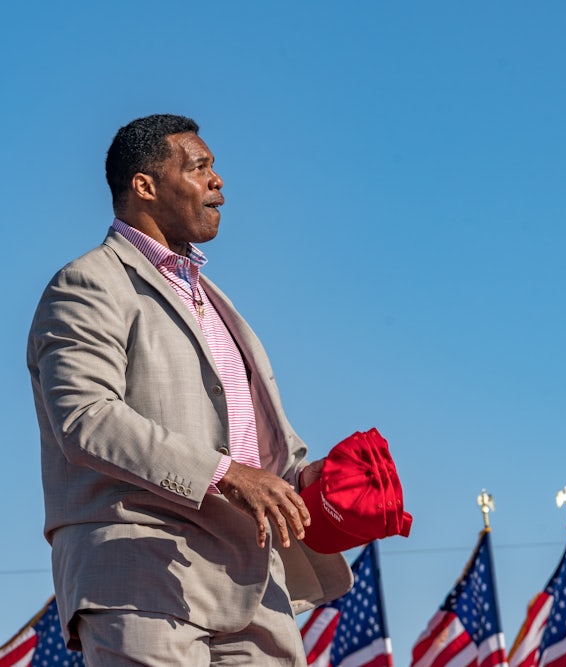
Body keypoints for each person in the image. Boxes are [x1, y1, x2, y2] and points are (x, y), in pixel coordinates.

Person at [27, 114, 353, 665]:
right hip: (142, 572)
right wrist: (225, 474)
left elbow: (249, 443)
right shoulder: (87, 283)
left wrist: (319, 483)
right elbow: (85, 418)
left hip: (255, 579)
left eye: (214, 168)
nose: (218, 181)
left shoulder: (212, 298)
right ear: (145, 186)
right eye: (200, 167)